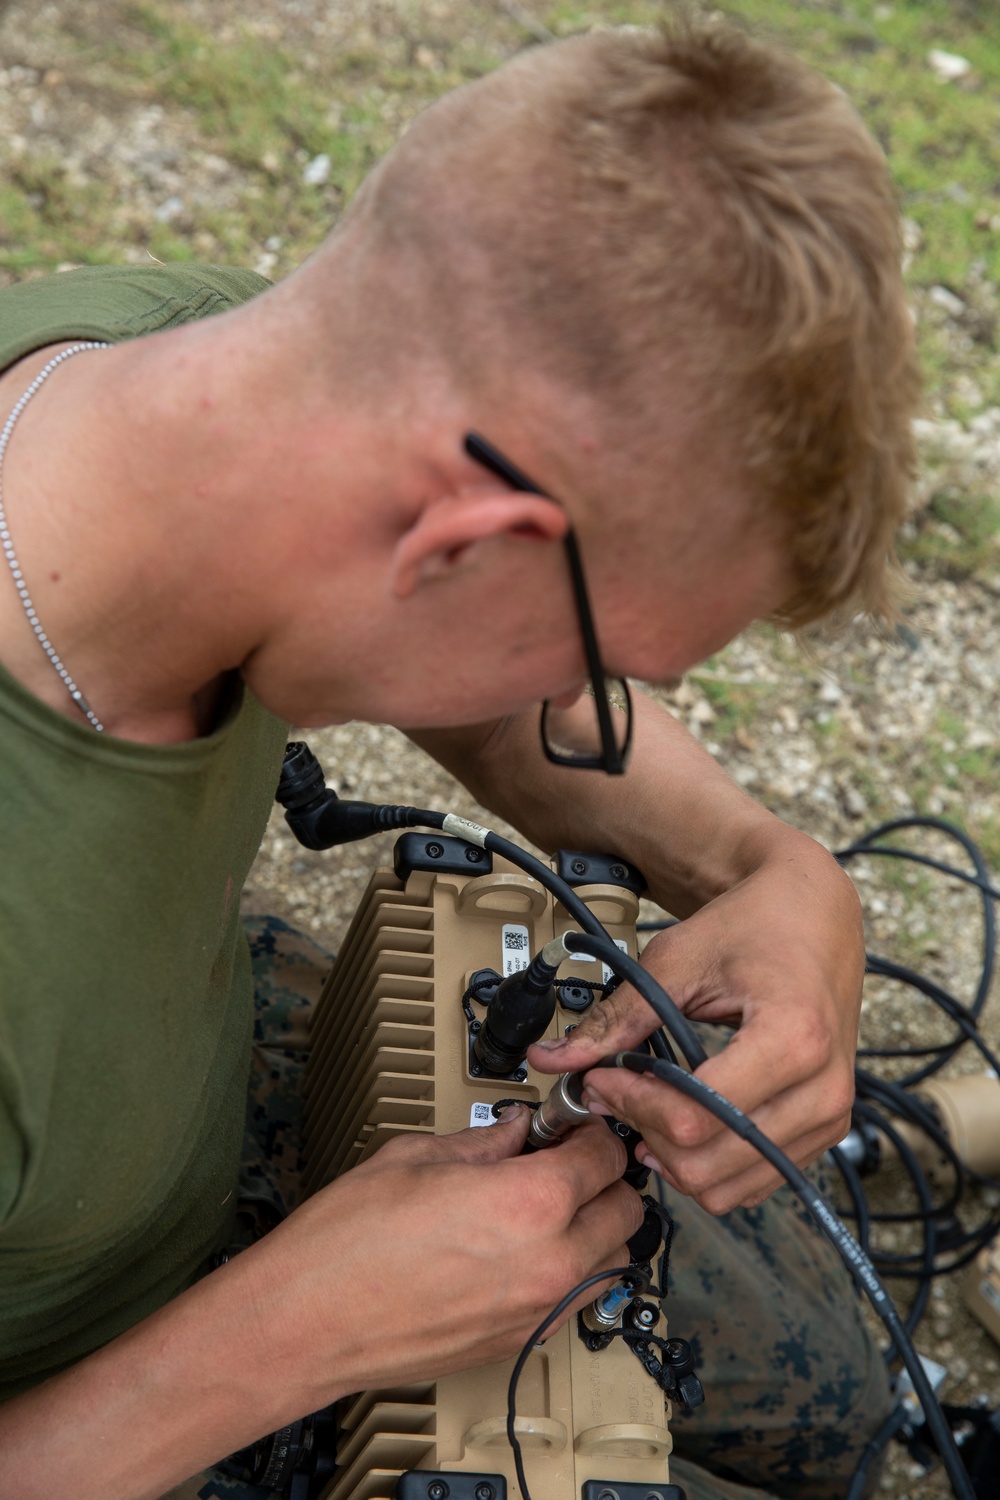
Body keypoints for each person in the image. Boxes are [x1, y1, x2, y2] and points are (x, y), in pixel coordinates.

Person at [0, 12, 919, 1500]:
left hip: (156, 1108)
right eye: (595, 668)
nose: (588, 708)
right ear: (463, 546)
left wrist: (772, 869)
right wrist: (287, 1339)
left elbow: (491, 707)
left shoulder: (182, 375)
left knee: (843, 1405)